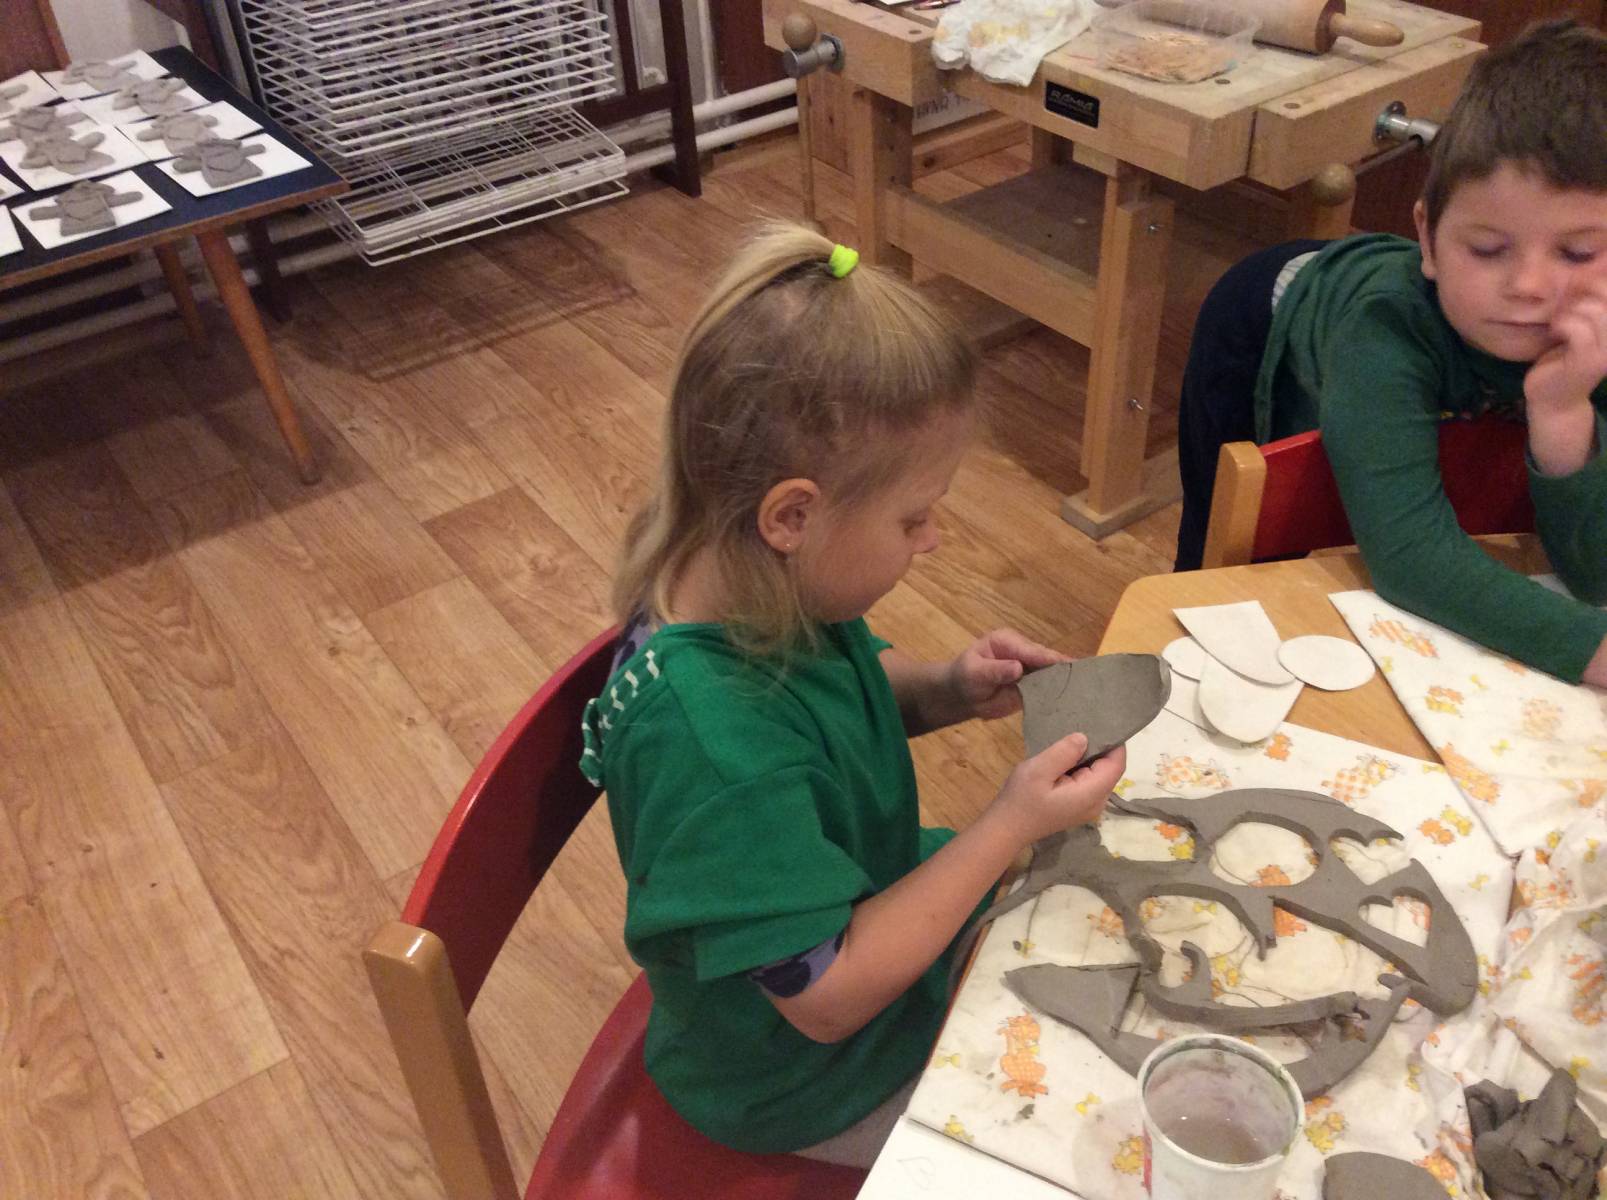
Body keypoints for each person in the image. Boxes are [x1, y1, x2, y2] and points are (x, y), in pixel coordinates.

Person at [579, 223, 1126, 1167]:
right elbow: (825, 998)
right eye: (913, 517)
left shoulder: (752, 585)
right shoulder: (711, 747)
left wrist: (950, 686)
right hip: (805, 1078)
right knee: (1080, 1132)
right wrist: (1007, 825)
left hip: (877, 936)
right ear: (791, 515)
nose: (933, 540)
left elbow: (849, 686)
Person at [1173, 20, 1607, 685]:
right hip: (1260, 321)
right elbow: (1408, 557)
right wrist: (1590, 651)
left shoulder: (1593, 333)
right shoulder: (1385, 329)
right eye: (1487, 249)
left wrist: (1563, 415)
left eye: (1577, 253)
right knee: (1229, 554)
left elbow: (1594, 572)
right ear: (1428, 240)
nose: (1528, 286)